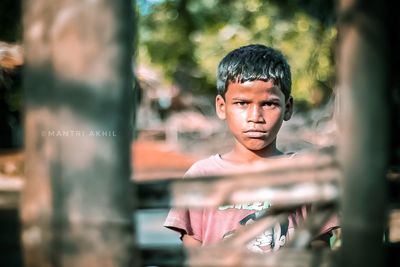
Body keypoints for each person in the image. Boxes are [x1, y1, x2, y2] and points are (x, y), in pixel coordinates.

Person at [164, 44, 338, 252]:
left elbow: (319, 251)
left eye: (268, 104)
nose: (255, 117)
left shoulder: (306, 173)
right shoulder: (202, 175)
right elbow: (193, 255)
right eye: (241, 103)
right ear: (221, 106)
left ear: (288, 108)